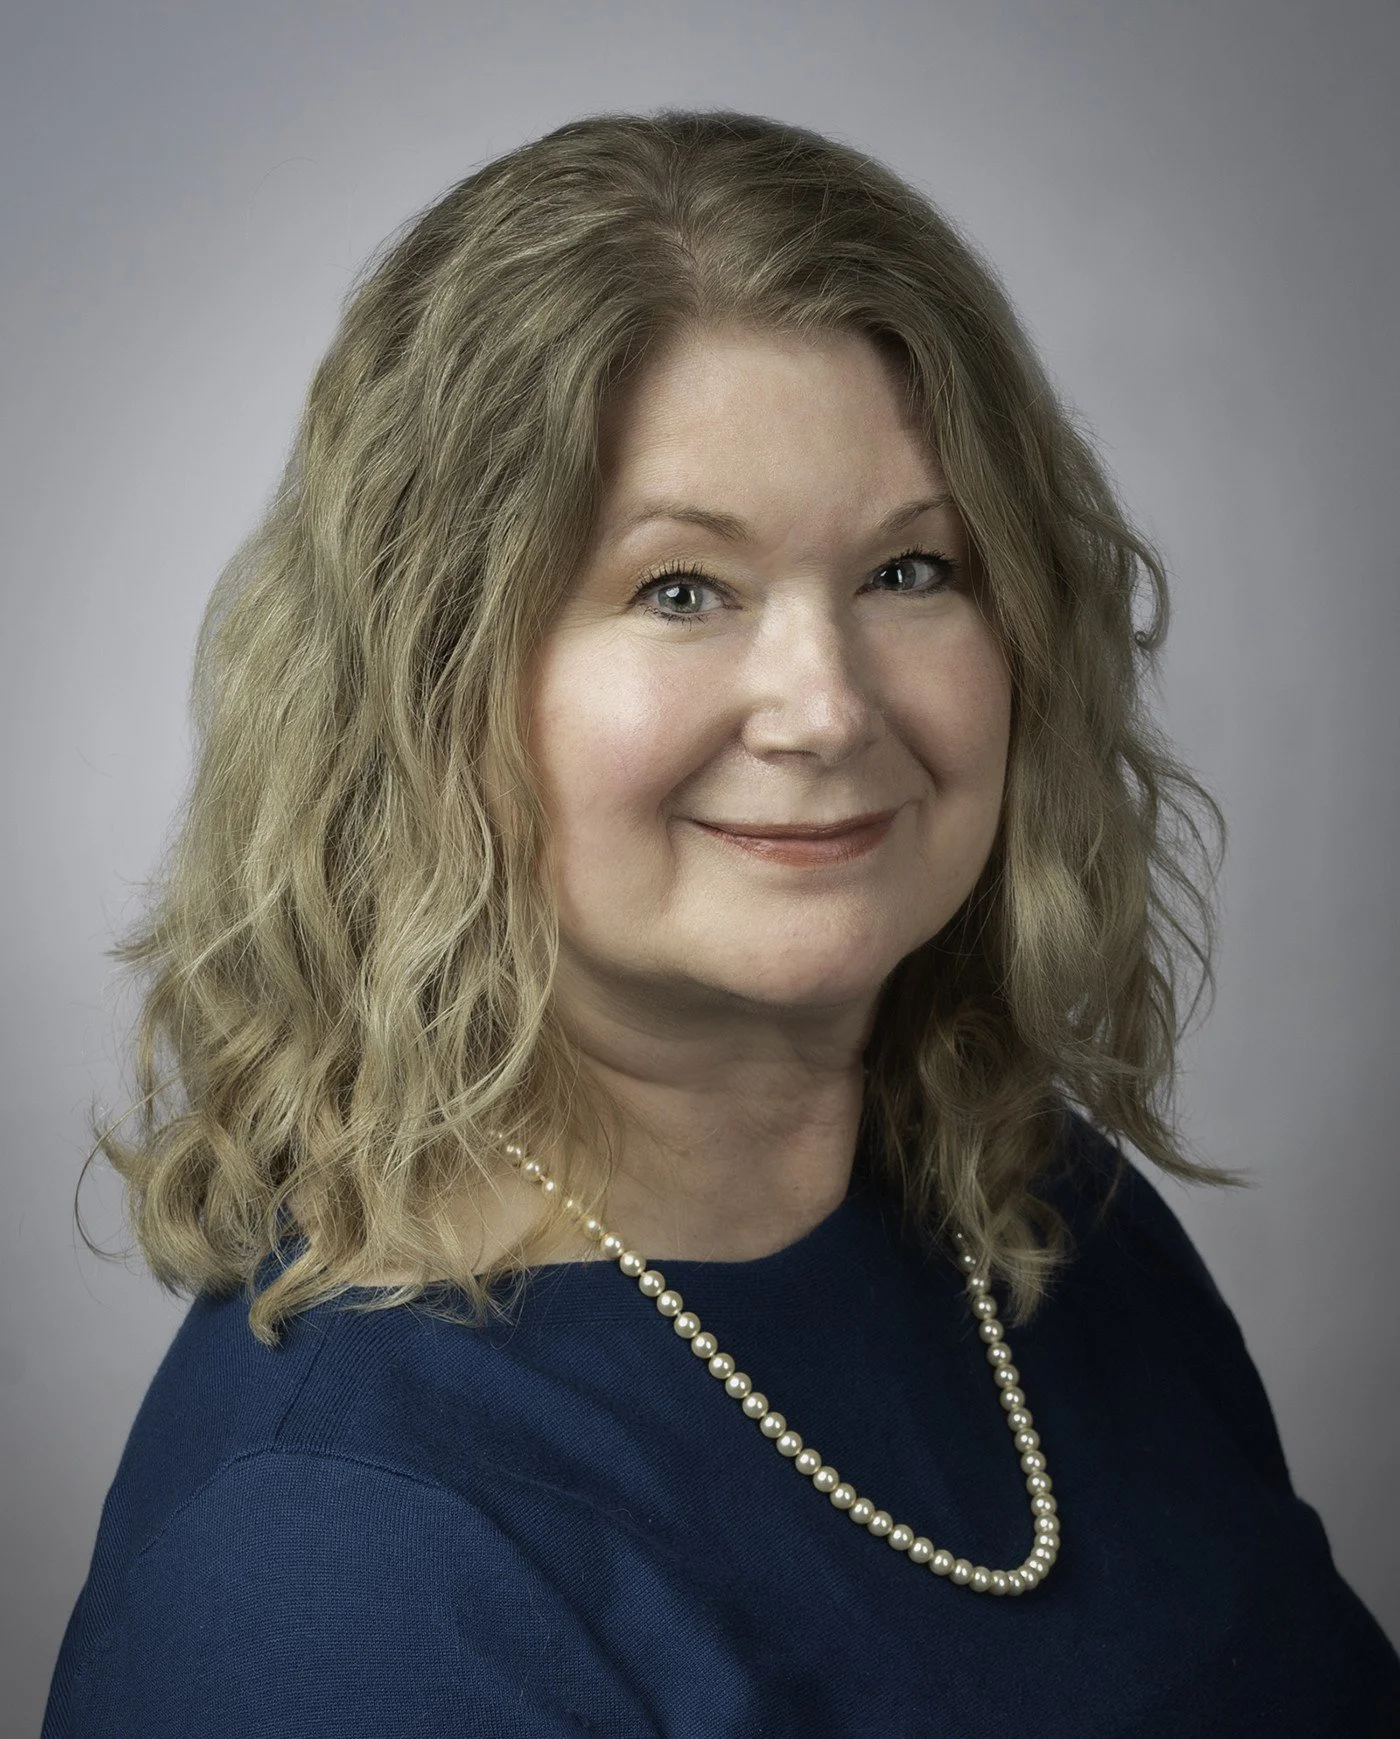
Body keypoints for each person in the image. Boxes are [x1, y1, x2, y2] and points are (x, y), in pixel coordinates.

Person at [42, 108, 1400, 1737]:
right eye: (683, 589)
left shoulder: (1050, 1211)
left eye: (913, 569)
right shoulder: (328, 1563)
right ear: (429, 681)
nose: (828, 708)